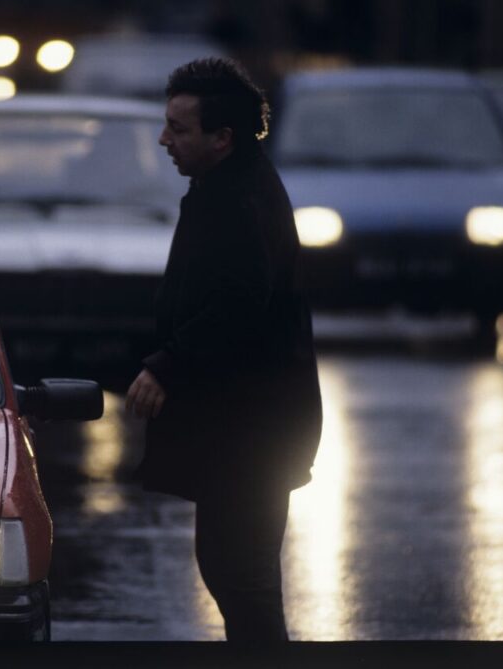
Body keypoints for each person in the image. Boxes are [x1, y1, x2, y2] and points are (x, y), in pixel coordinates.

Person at [125, 57, 323, 643]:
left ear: (223, 137)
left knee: (243, 576)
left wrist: (167, 366)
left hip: (255, 429)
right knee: (234, 571)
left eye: (178, 130)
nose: (165, 140)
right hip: (249, 426)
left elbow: (241, 301)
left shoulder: (236, 199)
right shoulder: (229, 184)